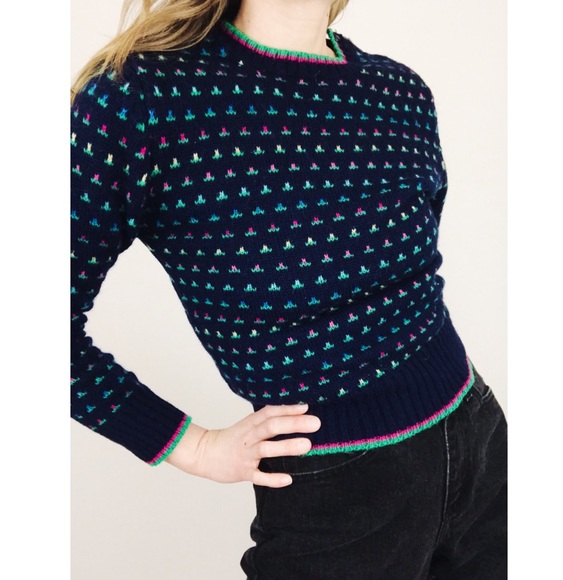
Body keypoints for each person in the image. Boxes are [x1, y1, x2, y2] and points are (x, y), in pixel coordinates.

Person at [71, 0, 507, 577]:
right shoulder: (140, 99)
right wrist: (189, 445)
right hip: (337, 486)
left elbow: (412, 279)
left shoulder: (401, 91)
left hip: (479, 435)